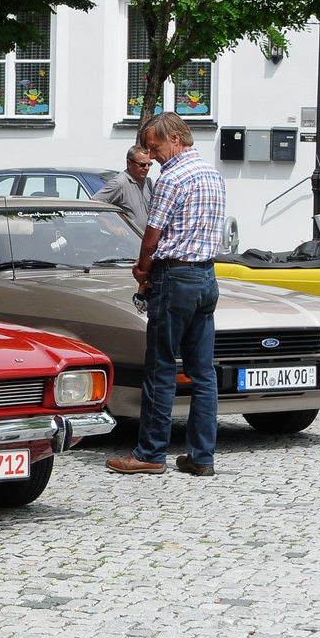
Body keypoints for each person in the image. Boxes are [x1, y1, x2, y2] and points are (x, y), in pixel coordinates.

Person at [107, 113, 227, 478]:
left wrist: (143, 270)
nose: (153, 154)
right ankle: (201, 456)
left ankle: (150, 453)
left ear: (175, 139)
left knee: (160, 367)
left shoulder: (172, 177)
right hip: (206, 276)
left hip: (175, 277)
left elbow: (152, 234)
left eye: (155, 146)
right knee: (202, 373)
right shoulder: (213, 174)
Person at [94, 146, 155, 231]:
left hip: (143, 239)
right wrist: (111, 228)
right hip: (128, 240)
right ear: (129, 163)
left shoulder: (149, 183)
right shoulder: (120, 183)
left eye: (149, 164)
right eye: (142, 165)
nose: (146, 168)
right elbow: (95, 204)